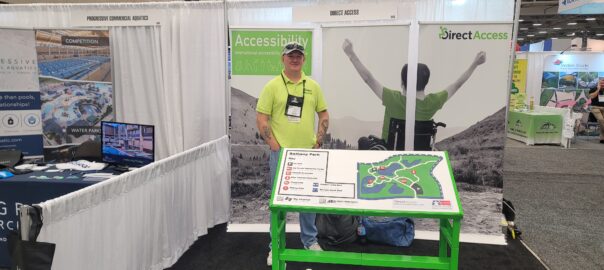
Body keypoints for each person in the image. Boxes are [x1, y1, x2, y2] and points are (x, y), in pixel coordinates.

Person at [256, 41, 329, 266]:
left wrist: (319, 138)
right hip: (282, 156)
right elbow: (261, 119)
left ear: (303, 59)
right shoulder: (272, 86)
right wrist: (274, 144)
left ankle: (310, 241)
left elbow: (324, 115)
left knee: (309, 201)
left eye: (299, 55)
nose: (295, 59)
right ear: (283, 59)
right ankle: (275, 245)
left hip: (308, 154)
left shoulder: (313, 86)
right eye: (291, 56)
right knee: (278, 203)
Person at [342, 38, 486, 144]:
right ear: (426, 81)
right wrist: (475, 64)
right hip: (416, 156)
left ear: (403, 81)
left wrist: (351, 54)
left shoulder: (393, 98)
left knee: (363, 141)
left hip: (389, 152)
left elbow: (368, 78)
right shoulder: (433, 102)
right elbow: (457, 85)